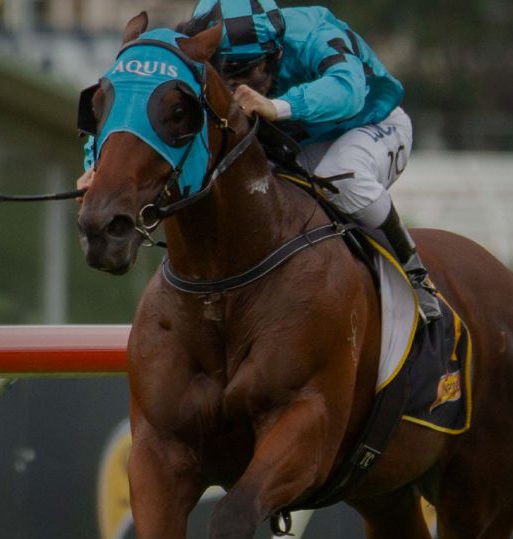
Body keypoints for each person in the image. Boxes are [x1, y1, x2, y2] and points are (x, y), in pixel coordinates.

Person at [81, 0, 441, 323]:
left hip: (368, 124)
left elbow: (347, 90)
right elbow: (129, 105)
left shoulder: (313, 31)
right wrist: (95, 169)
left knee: (338, 175)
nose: (236, 85)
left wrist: (278, 106)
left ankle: (415, 275)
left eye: (248, 70)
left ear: (276, 54)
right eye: (225, 71)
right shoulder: (191, 49)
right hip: (295, 140)